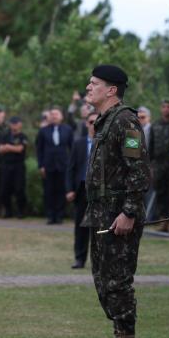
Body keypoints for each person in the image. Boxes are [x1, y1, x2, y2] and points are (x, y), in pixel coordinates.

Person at [82, 64, 151, 338]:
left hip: (118, 216)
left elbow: (138, 170)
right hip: (101, 214)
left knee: (118, 280)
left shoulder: (126, 121)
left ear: (111, 90)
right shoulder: (106, 121)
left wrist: (129, 212)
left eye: (94, 83)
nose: (88, 87)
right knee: (103, 279)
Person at [66, 111, 97, 269]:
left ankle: (98, 260)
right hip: (81, 190)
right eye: (91, 122)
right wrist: (69, 189)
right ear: (86, 123)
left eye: (97, 122)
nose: (94, 125)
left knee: (99, 227)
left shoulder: (106, 144)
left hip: (99, 191)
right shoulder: (78, 143)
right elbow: (71, 168)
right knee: (80, 226)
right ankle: (80, 258)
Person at [36, 107, 73, 224]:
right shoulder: (43, 131)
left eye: (56, 114)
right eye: (52, 114)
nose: (54, 116)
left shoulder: (68, 129)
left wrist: (71, 164)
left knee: (61, 190)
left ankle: (60, 215)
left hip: (63, 165)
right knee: (49, 191)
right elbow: (39, 149)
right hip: (48, 165)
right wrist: (41, 165)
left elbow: (72, 148)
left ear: (61, 116)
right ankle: (50, 216)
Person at [149, 100, 169, 230]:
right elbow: (150, 146)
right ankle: (163, 221)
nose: (166, 109)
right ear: (161, 109)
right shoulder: (155, 125)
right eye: (164, 107)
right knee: (160, 193)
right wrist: (150, 166)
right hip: (159, 165)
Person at [0, 116, 28, 218]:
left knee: (19, 189)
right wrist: (11, 148)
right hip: (6, 165)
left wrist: (7, 147)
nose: (14, 125)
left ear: (20, 124)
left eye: (16, 123)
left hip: (18, 165)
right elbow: (0, 149)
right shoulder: (5, 136)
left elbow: (20, 149)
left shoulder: (23, 136)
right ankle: (8, 211)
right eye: (12, 123)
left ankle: (21, 211)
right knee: (4, 189)